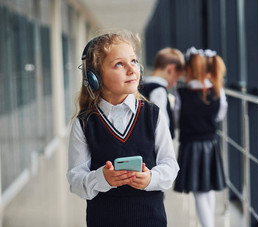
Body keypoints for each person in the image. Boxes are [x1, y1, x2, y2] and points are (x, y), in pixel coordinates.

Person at [66, 31, 179, 227]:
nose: (131, 69)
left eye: (134, 61)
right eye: (119, 64)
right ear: (95, 77)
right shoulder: (84, 124)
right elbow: (76, 180)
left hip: (151, 221)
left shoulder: (153, 115)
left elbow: (170, 166)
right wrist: (102, 178)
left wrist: (150, 179)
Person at [173, 47, 228, 227]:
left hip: (191, 145)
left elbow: (177, 120)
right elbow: (219, 115)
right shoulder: (218, 92)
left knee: (199, 193)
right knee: (207, 189)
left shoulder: (182, 94)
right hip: (210, 144)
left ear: (189, 69)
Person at [139, 47, 185, 138]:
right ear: (171, 69)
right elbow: (162, 121)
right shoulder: (159, 90)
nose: (175, 83)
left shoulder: (143, 86)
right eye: (177, 77)